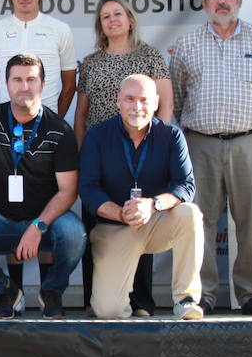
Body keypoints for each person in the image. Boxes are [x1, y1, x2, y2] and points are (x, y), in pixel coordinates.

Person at [170, 0, 252, 317]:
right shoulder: (188, 44)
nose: (222, 1)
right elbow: (176, 97)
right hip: (200, 144)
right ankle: (201, 294)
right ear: (205, 3)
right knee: (198, 221)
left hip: (250, 143)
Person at [0, 54, 86, 319]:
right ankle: (5, 291)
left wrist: (38, 226)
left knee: (74, 234)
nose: (24, 86)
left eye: (31, 80)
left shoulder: (59, 129)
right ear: (6, 84)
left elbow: (68, 190)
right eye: (17, 80)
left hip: (46, 222)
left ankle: (52, 291)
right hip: (1, 219)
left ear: (43, 84)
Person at [74, 0, 173, 316]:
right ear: (100, 25)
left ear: (130, 19)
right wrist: (80, 151)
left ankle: (141, 302)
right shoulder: (90, 62)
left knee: (139, 224)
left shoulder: (151, 57)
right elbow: (81, 113)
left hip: (140, 153)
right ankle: (95, 300)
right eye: (105, 16)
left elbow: (166, 105)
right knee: (97, 228)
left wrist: (160, 146)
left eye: (118, 14)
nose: (112, 20)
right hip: (101, 156)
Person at [79, 75, 203, 320]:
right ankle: (120, 304)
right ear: (118, 101)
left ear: (156, 103)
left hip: (155, 222)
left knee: (189, 213)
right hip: (114, 227)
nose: (137, 106)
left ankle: (186, 300)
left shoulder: (171, 136)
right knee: (109, 312)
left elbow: (186, 185)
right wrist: (119, 212)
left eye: (144, 100)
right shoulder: (97, 137)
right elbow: (88, 189)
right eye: (130, 99)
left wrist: (153, 205)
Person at [0, 0, 77, 119]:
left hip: (47, 122)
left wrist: (54, 120)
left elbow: (69, 85)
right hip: (6, 122)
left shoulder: (60, 29)